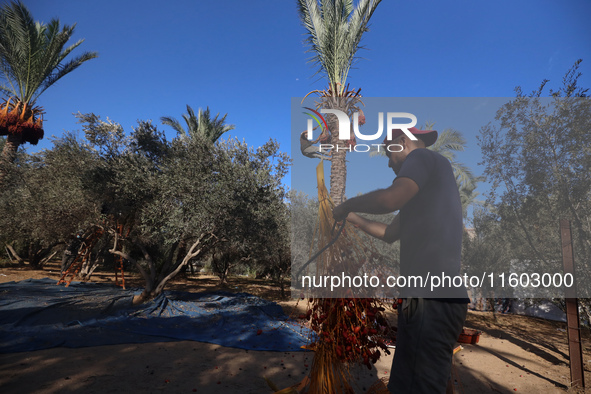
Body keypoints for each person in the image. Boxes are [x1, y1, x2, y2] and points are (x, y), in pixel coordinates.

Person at [332, 127, 469, 393]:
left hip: (430, 298)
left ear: (402, 143)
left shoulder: (422, 157)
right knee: (417, 382)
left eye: (388, 154)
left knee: (417, 386)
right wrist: (351, 219)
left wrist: (348, 204)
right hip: (434, 299)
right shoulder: (424, 195)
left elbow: (390, 198)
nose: (388, 162)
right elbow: (388, 233)